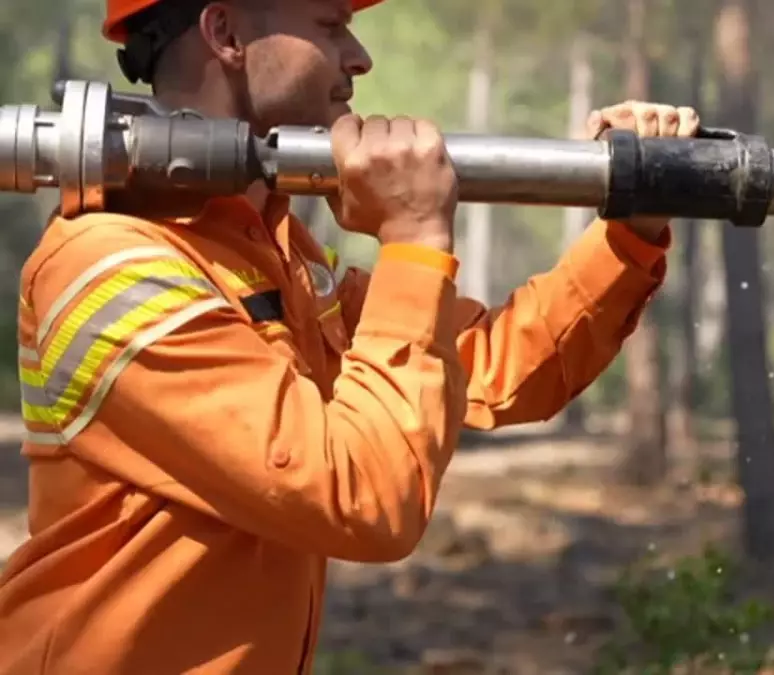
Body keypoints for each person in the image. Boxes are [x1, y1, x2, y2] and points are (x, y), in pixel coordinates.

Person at [0, 0, 702, 672]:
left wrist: (630, 232)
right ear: (225, 33)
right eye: (331, 25)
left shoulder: (281, 257)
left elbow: (497, 367)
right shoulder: (111, 270)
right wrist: (413, 235)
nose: (358, 57)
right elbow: (361, 496)